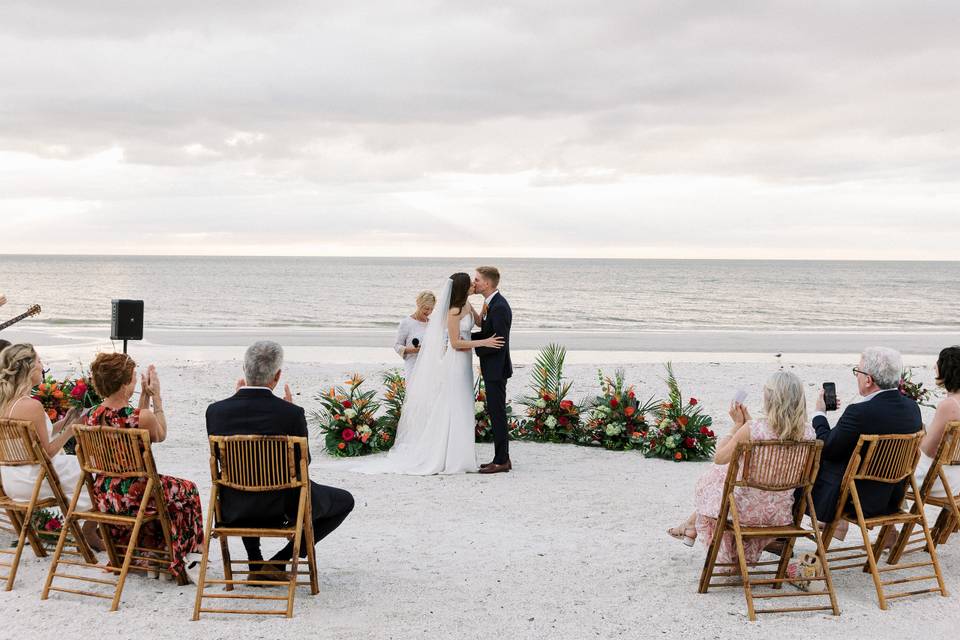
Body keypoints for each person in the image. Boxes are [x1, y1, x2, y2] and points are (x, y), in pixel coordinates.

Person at [206, 341, 355, 580]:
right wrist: (292, 414)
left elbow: (230, 464)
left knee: (247, 476)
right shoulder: (290, 414)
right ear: (277, 376)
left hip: (233, 508)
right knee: (345, 501)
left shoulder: (216, 411)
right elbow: (302, 464)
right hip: (282, 511)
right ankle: (279, 561)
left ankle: (255, 563)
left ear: (244, 369)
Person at [352, 273, 504, 476]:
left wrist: (487, 308)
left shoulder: (467, 305)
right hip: (456, 362)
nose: (473, 286)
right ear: (461, 287)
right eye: (469, 284)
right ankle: (449, 457)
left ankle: (462, 456)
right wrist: (483, 343)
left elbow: (478, 323)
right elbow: (456, 343)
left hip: (466, 364)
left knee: (464, 405)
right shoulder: (453, 311)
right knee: (454, 405)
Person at [667, 371, 815, 566]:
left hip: (744, 513)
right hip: (779, 514)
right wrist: (749, 423)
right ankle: (689, 525)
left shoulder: (752, 429)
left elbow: (719, 457)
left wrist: (737, 426)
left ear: (770, 398)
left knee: (718, 472)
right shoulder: (808, 433)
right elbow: (771, 435)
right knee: (723, 474)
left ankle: (690, 525)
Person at [84, 352, 203, 580]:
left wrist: (144, 398)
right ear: (123, 384)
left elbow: (136, 424)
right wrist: (156, 398)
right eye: (131, 380)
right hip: (138, 496)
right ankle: (182, 557)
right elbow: (159, 434)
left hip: (107, 495)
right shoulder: (141, 417)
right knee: (188, 489)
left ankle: (149, 556)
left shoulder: (92, 416)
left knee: (165, 490)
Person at [0, 343, 100, 548]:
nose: (42, 365)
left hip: (12, 480)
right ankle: (91, 529)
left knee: (86, 468)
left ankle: (91, 529)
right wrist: (72, 429)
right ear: (28, 368)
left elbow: (36, 437)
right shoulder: (32, 406)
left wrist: (66, 421)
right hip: (36, 479)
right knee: (99, 470)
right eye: (38, 361)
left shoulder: (8, 403)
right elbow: (47, 451)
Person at [811, 347, 922, 526]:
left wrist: (819, 414)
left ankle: (782, 538)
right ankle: (888, 534)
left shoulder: (859, 413)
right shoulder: (912, 408)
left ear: (869, 380)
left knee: (805, 467)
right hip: (893, 498)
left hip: (858, 501)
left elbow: (828, 448)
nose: (857, 376)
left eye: (858, 372)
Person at [472, 266, 513, 474]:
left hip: (496, 369)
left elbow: (498, 342)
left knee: (497, 414)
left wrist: (466, 342)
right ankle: (503, 457)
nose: (474, 283)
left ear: (487, 283)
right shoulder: (490, 303)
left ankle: (501, 461)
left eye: (477, 280)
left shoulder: (499, 307)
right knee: (496, 413)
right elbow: (487, 332)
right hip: (492, 367)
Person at [914, 346, 960, 498]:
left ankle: (890, 512)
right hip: (956, 474)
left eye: (939, 362)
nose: (935, 366)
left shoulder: (950, 405)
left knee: (894, 473)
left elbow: (928, 449)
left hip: (943, 479)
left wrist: (919, 434)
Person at [394, 290, 435, 378]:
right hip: (413, 365)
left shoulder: (432, 324)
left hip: (429, 366)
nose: (429, 312)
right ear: (419, 304)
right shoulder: (407, 323)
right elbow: (397, 346)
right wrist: (414, 350)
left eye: (432, 309)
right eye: (426, 308)